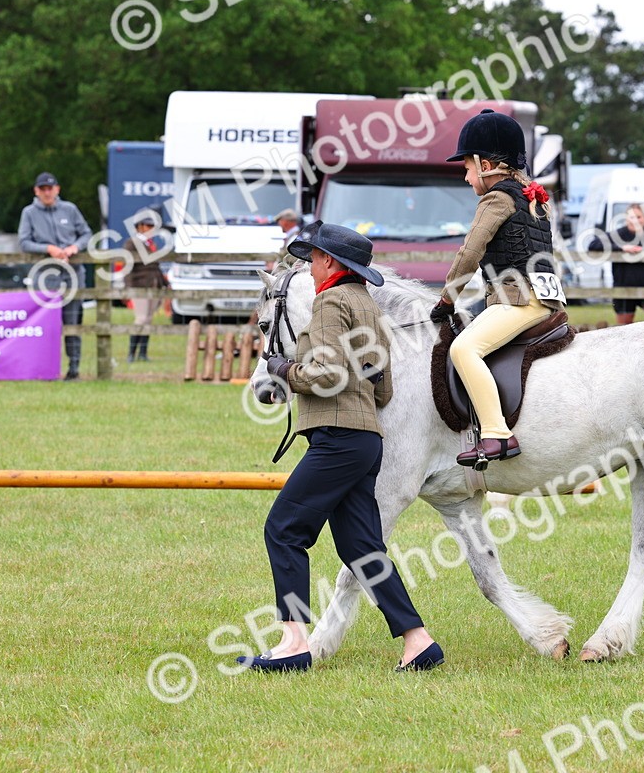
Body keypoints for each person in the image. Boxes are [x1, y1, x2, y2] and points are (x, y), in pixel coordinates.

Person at [240, 223, 443, 673]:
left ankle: (293, 643)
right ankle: (417, 640)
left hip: (336, 439)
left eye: (312, 258)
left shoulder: (330, 302)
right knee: (361, 547)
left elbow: (325, 375)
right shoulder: (367, 306)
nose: (309, 267)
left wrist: (284, 368)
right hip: (365, 439)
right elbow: (384, 386)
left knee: (284, 529)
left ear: (329, 262)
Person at [429, 108, 564, 467]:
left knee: (464, 349)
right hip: (545, 297)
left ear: (486, 165)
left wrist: (447, 298)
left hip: (518, 300)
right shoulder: (531, 197)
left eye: (467, 168)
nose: (466, 177)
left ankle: (496, 434)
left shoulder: (496, 199)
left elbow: (469, 252)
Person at [18, 172, 93, 380]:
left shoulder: (70, 209)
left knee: (72, 321)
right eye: (43, 189)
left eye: (50, 188)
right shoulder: (29, 213)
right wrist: (48, 248)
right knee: (44, 324)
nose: (47, 192)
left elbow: (86, 233)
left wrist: (74, 248)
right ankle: (43, 368)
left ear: (57, 189)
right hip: (44, 277)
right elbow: (24, 242)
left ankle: (74, 368)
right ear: (36, 191)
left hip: (73, 275)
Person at [123, 209, 169, 363]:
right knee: (141, 319)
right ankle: (131, 353)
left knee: (148, 319)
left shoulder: (151, 243)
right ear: (140, 227)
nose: (151, 229)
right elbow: (127, 267)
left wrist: (164, 283)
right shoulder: (132, 243)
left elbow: (155, 266)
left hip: (154, 284)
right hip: (139, 285)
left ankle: (143, 353)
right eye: (148, 226)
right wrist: (128, 288)